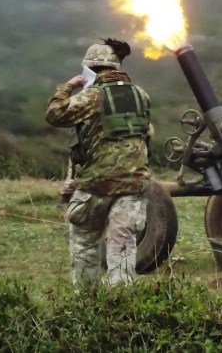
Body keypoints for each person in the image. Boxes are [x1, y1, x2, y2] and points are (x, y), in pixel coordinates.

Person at [45, 38, 152, 285]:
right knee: (123, 249)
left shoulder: (92, 97)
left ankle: (86, 306)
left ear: (90, 70)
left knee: (85, 243)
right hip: (134, 186)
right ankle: (121, 311)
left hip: (96, 185)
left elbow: (55, 115)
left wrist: (66, 88)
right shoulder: (141, 95)